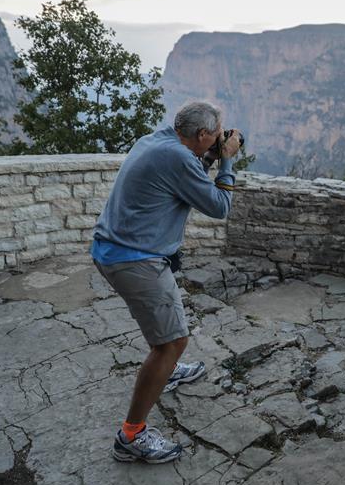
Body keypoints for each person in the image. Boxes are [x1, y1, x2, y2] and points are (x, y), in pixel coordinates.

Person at [91, 101, 241, 464]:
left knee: (166, 336)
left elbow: (184, 173)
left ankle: (168, 372)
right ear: (202, 135)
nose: (222, 137)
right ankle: (131, 436)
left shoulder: (157, 140)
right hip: (135, 260)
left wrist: (210, 156)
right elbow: (220, 206)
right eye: (218, 133)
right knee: (172, 341)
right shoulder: (179, 158)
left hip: (121, 250)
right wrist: (229, 161)